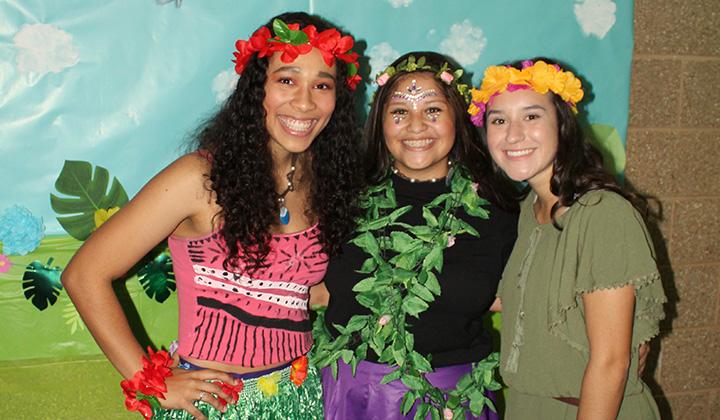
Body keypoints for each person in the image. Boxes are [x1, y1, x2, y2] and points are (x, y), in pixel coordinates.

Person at [61, 11, 363, 420]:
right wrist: (151, 379)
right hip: (215, 406)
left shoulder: (328, 184)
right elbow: (84, 274)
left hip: (300, 399)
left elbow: (303, 293)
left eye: (322, 85)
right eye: (287, 79)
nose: (305, 101)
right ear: (257, 88)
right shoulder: (199, 178)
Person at [311, 52, 519, 419]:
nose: (416, 126)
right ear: (381, 123)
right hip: (350, 397)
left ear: (457, 117)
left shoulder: (500, 209)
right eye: (400, 112)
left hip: (451, 403)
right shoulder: (341, 199)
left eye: (433, 110)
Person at [468, 58, 666, 419]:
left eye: (531, 116)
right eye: (499, 120)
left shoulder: (603, 214)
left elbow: (610, 362)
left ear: (562, 124)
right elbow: (517, 300)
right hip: (527, 407)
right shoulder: (529, 210)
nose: (513, 134)